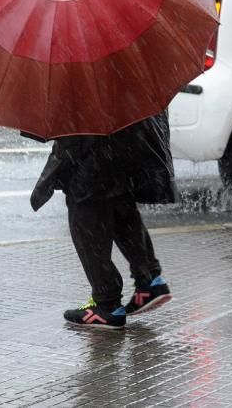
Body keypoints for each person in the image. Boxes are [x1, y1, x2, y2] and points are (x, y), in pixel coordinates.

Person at [29, 112, 176, 329]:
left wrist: (54, 171)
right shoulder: (120, 82)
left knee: (85, 218)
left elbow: (73, 137)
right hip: (125, 144)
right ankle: (149, 281)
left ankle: (106, 303)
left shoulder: (78, 86)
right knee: (120, 206)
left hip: (91, 158)